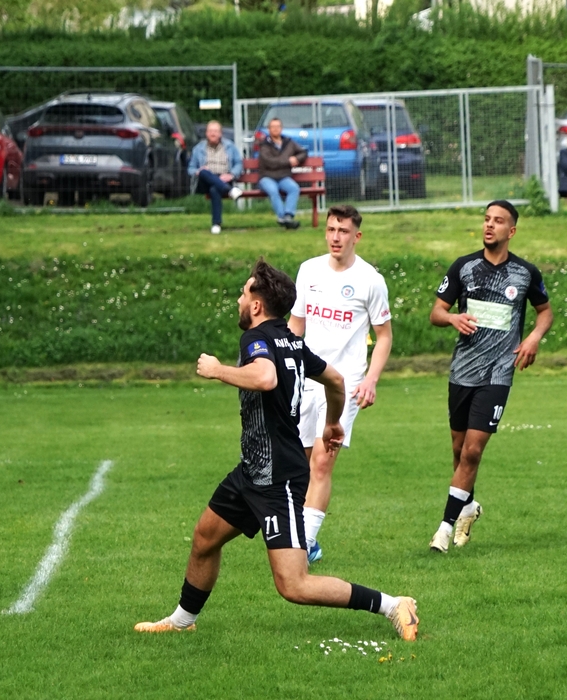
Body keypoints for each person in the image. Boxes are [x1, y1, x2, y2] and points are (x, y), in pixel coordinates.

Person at [134, 259, 418, 642]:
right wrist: (333, 422)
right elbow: (336, 380)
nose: (239, 300)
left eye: (243, 293)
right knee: (204, 538)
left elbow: (265, 377)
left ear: (256, 305)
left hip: (277, 478)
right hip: (252, 470)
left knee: (293, 584)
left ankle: (393, 604)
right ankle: (182, 620)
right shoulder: (291, 340)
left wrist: (218, 370)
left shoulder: (256, 338)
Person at [428, 200, 552, 553]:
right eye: (486, 219)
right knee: (458, 450)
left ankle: (444, 529)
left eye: (497, 221)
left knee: (472, 451)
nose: (489, 225)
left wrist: (533, 337)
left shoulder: (525, 273)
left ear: (511, 231)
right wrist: (452, 318)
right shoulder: (464, 267)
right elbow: (436, 312)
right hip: (463, 370)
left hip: (498, 373)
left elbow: (545, 312)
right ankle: (468, 506)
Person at [288, 204, 392, 564]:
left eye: (343, 231)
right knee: (300, 464)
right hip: (306, 380)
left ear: (356, 236)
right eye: (331, 229)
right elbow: (296, 325)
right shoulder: (309, 270)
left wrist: (371, 380)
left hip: (343, 385)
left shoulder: (370, 280)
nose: (335, 237)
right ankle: (307, 539)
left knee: (322, 462)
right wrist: (282, 367)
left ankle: (303, 545)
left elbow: (384, 336)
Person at [187, 121, 243, 235]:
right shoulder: (198, 148)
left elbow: (239, 163)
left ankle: (216, 224)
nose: (213, 134)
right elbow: (191, 168)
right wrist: (198, 171)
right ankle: (230, 191)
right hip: (205, 180)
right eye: (210, 131)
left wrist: (231, 174)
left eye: (216, 131)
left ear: (220, 133)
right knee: (204, 172)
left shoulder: (230, 146)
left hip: (225, 179)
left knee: (214, 189)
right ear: (206, 133)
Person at [258, 117, 308, 230]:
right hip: (267, 177)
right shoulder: (264, 145)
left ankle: (288, 215)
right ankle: (282, 217)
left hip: (284, 177)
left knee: (294, 188)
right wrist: (288, 161)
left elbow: (303, 152)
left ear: (281, 128)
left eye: (278, 126)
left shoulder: (289, 142)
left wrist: (296, 158)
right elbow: (269, 162)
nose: (275, 129)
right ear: (269, 129)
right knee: (273, 190)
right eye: (273, 127)